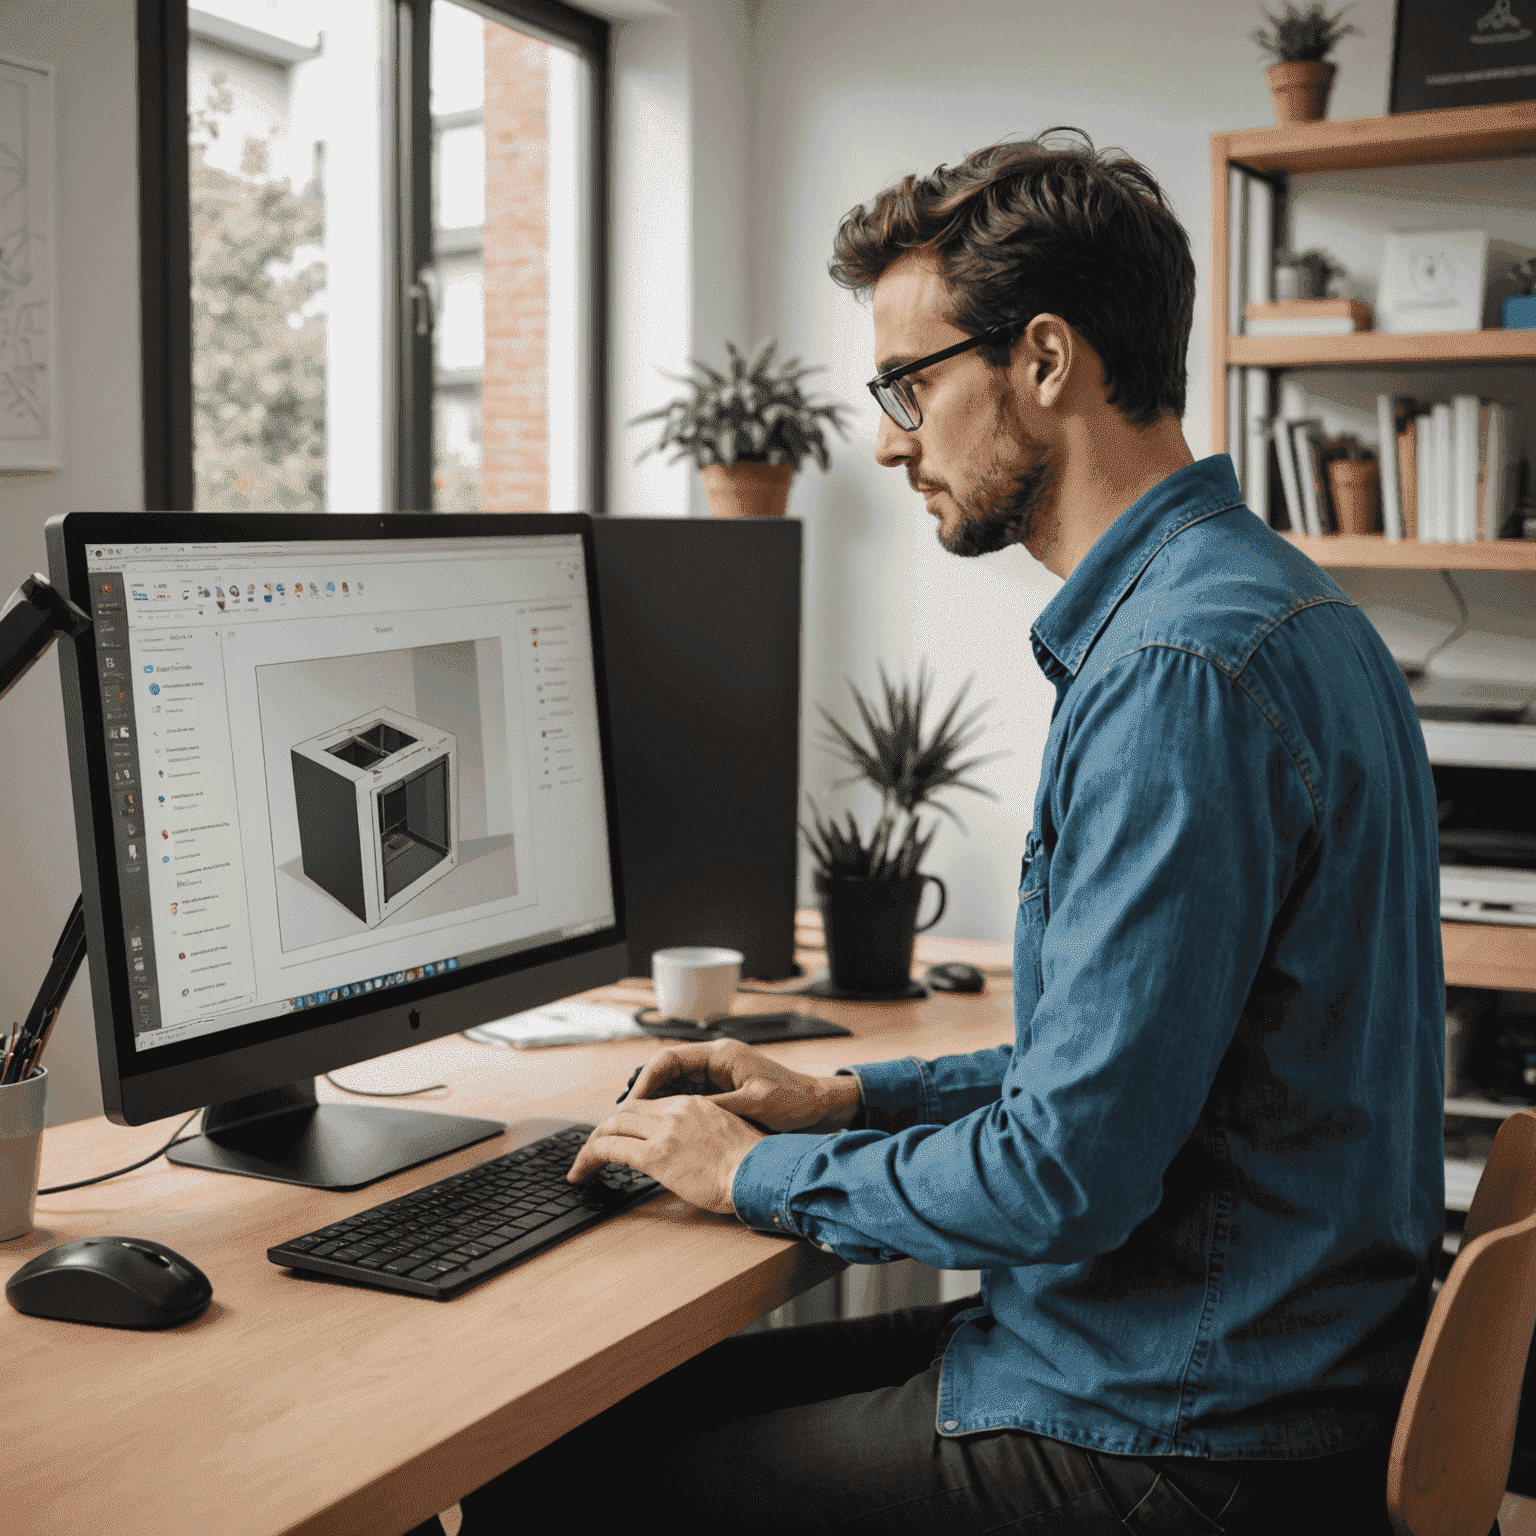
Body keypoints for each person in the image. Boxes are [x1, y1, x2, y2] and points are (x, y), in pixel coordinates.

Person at [450, 131, 1444, 1535]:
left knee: (543, 1481)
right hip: (1221, 1368)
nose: (885, 437)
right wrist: (839, 1102)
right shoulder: (1283, 606)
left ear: (1044, 360)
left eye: (910, 384)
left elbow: (1064, 1177)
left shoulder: (1175, 674)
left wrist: (739, 1169)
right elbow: (1113, 1063)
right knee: (604, 1414)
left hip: (1176, 1430)